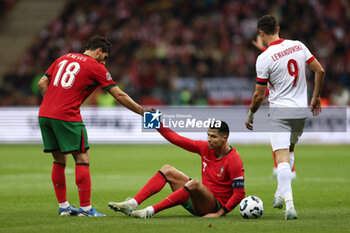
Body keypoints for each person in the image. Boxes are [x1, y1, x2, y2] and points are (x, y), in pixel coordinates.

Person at [38, 35, 153, 217]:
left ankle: (64, 207)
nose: (105, 63)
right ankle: (85, 209)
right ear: (99, 51)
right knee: (82, 158)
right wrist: (142, 111)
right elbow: (119, 95)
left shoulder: (63, 58)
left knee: (59, 160)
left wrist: (53, 104)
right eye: (105, 57)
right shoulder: (95, 67)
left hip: (44, 114)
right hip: (67, 116)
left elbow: (42, 83)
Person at [245, 15, 325, 220]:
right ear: (278, 28)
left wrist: (251, 114)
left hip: (280, 112)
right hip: (300, 111)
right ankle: (279, 195)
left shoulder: (263, 58)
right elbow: (320, 70)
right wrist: (316, 98)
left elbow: (258, 95)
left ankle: (290, 206)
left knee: (280, 159)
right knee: (289, 151)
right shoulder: (298, 45)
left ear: (261, 33)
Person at [108, 121, 245, 218]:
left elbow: (239, 194)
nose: (208, 139)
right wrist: (156, 122)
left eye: (213, 136)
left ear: (224, 138)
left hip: (213, 206)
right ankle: (132, 203)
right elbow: (176, 139)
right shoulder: (205, 147)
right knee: (167, 170)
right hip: (197, 201)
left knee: (195, 183)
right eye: (208, 135)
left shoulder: (234, 160)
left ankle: (150, 211)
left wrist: (219, 214)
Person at [252, 35, 297, 180]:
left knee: (278, 141)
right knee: (287, 142)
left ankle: (283, 169)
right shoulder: (289, 58)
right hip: (293, 105)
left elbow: (274, 58)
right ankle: (287, 169)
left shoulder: (276, 70)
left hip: (280, 108)